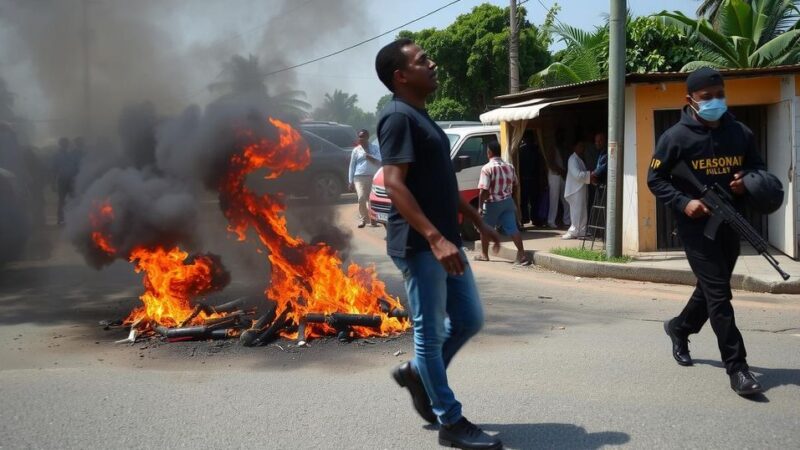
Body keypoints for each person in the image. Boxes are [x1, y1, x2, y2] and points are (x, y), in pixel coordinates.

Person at [375, 38, 503, 450]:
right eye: (422, 60)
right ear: (401, 75)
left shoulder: (423, 118)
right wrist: (433, 237)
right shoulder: (396, 118)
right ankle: (451, 420)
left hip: (445, 242)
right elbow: (394, 184)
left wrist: (478, 220)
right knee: (429, 335)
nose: (432, 63)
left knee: (469, 319)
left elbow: (440, 185)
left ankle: (416, 374)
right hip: (420, 245)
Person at [648, 67, 766, 396]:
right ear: (690, 101)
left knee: (712, 289)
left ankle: (679, 327)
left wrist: (748, 181)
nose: (716, 101)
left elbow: (757, 166)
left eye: (720, 95)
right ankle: (737, 367)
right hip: (695, 228)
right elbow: (655, 179)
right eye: (707, 98)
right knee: (719, 295)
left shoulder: (740, 132)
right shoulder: (675, 138)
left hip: (731, 221)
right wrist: (684, 202)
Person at [474, 141, 530, 265]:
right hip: (507, 201)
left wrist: (479, 207)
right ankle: (521, 254)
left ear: (489, 152)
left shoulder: (486, 168)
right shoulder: (510, 166)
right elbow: (516, 185)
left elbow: (483, 190)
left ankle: (484, 254)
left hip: (492, 203)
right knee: (513, 229)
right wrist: (514, 199)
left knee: (484, 228)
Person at [348, 129, 381, 228]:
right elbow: (352, 166)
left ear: (367, 137)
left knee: (372, 199)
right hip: (359, 177)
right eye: (359, 137)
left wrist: (370, 157)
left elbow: (380, 161)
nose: (361, 139)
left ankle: (373, 219)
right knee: (361, 198)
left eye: (363, 137)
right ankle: (363, 219)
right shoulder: (356, 150)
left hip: (373, 176)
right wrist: (350, 181)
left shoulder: (375, 148)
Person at [562, 141, 592, 239]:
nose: (582, 148)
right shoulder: (572, 159)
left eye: (583, 146)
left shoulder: (579, 159)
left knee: (582, 210)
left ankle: (582, 230)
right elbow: (577, 175)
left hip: (581, 189)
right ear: (574, 147)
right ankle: (574, 230)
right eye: (580, 146)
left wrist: (589, 175)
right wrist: (590, 175)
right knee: (576, 211)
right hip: (575, 190)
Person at [53, 137, 80, 225]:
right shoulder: (57, 155)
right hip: (62, 180)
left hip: (70, 180)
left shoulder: (71, 154)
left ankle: (72, 218)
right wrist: (52, 182)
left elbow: (76, 167)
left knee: (72, 199)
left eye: (66, 143)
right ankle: (60, 219)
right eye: (63, 143)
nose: (65, 145)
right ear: (61, 144)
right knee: (62, 200)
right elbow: (54, 169)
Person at [545, 138, 570, 229]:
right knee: (554, 199)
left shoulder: (563, 149)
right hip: (554, 175)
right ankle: (551, 221)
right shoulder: (553, 148)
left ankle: (567, 220)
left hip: (561, 175)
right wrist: (562, 171)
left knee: (566, 198)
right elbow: (551, 163)